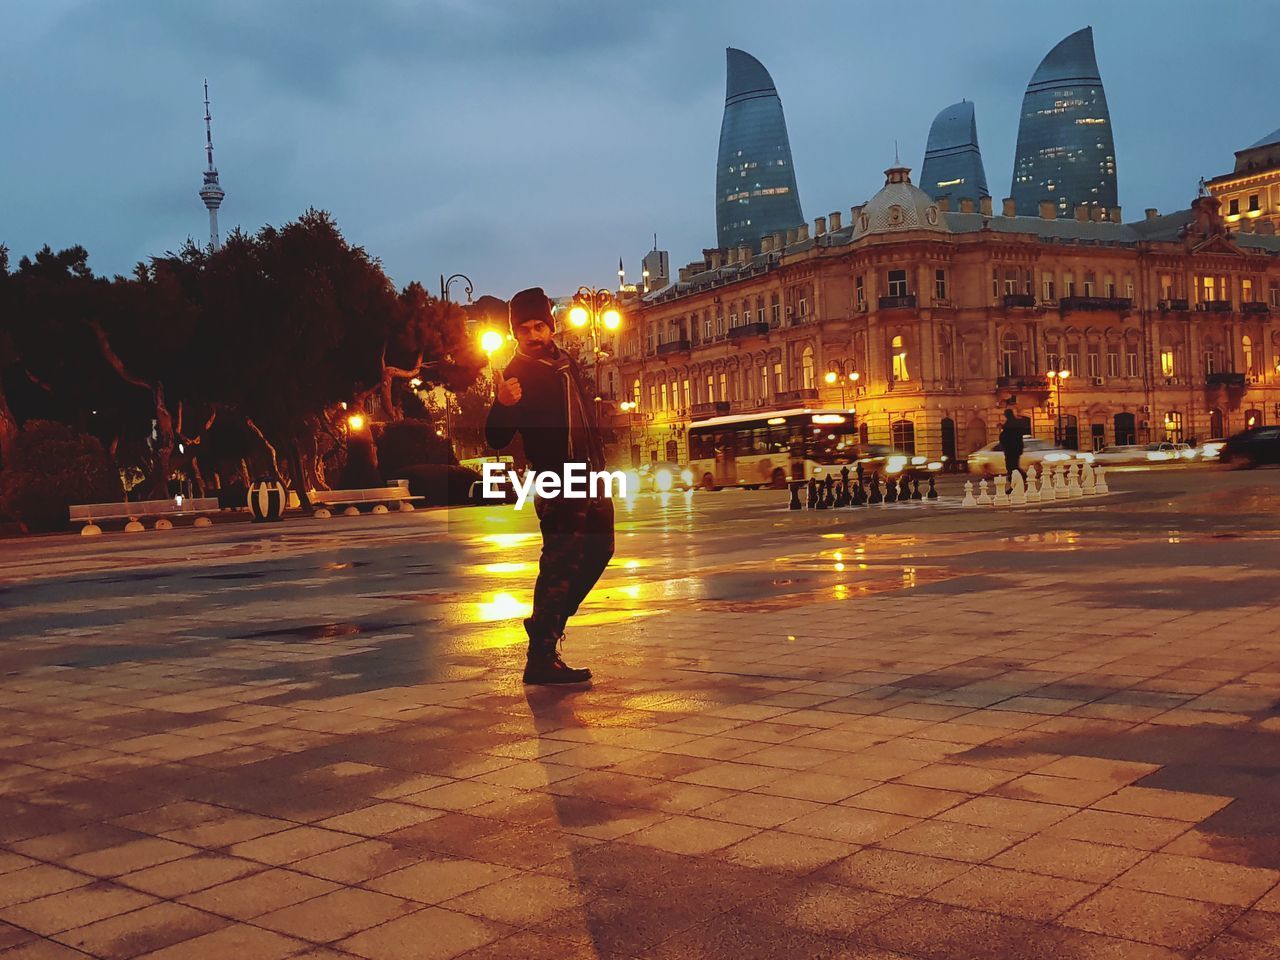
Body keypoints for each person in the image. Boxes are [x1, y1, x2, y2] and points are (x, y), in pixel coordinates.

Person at [485, 288, 613, 685]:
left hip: (590, 472)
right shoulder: (517, 373)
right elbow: (495, 438)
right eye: (524, 329)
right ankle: (541, 653)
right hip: (557, 478)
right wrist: (502, 404)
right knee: (560, 563)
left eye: (539, 326)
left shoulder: (565, 363)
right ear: (515, 335)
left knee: (601, 550)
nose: (533, 334)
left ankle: (546, 626)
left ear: (551, 326)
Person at [999, 409, 1025, 485]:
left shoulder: (1010, 424)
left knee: (1012, 468)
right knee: (1014, 467)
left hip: (1010, 450)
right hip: (1015, 449)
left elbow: (1006, 435)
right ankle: (1019, 480)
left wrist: (1002, 428)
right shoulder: (1015, 423)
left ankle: (1017, 482)